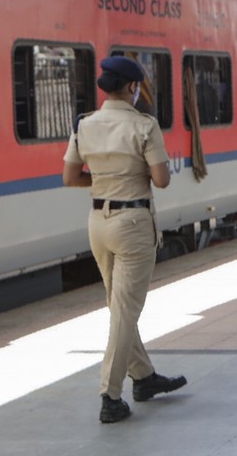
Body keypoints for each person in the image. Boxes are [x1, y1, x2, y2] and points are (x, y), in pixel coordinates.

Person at [62, 56, 187, 423]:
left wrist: (103, 183)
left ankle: (144, 377)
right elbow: (161, 179)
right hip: (133, 224)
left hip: (98, 222)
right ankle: (110, 396)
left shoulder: (85, 124)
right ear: (132, 87)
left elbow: (70, 177)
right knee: (124, 312)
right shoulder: (144, 125)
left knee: (119, 307)